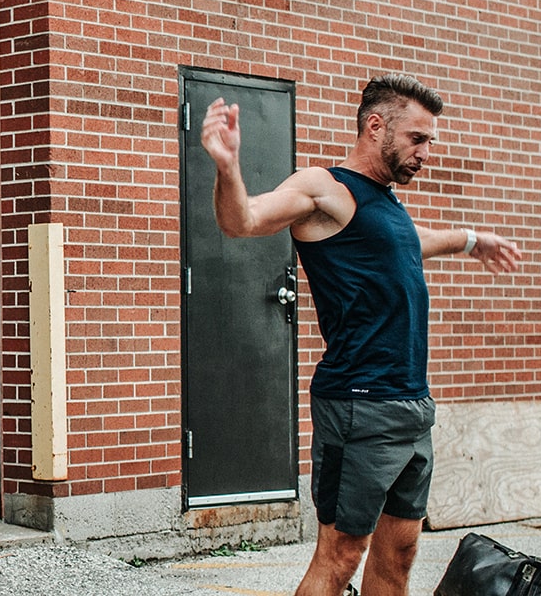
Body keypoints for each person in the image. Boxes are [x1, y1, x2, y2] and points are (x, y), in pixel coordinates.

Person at [201, 73, 521, 596]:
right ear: (376, 127)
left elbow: (414, 240)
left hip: (412, 405)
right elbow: (244, 220)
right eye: (418, 139)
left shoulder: (386, 205)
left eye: (430, 141)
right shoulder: (323, 188)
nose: (427, 152)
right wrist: (228, 167)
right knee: (342, 555)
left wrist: (471, 239)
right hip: (359, 404)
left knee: (400, 553)